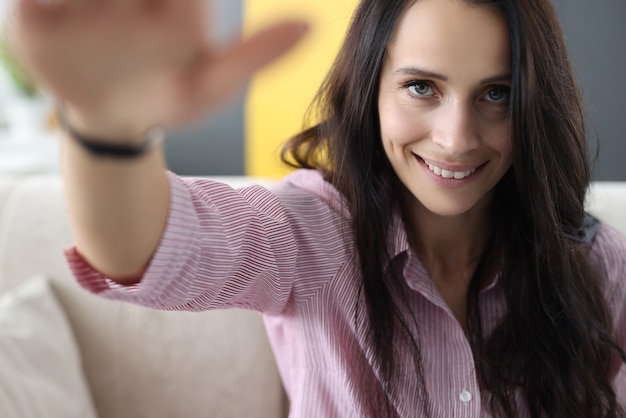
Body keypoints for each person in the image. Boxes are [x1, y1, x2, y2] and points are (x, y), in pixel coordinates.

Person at [8, 0, 626, 416]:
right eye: (421, 87)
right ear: (371, 88)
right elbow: (144, 247)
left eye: (497, 94)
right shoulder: (315, 233)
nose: (457, 136)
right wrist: (109, 126)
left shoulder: (597, 264)